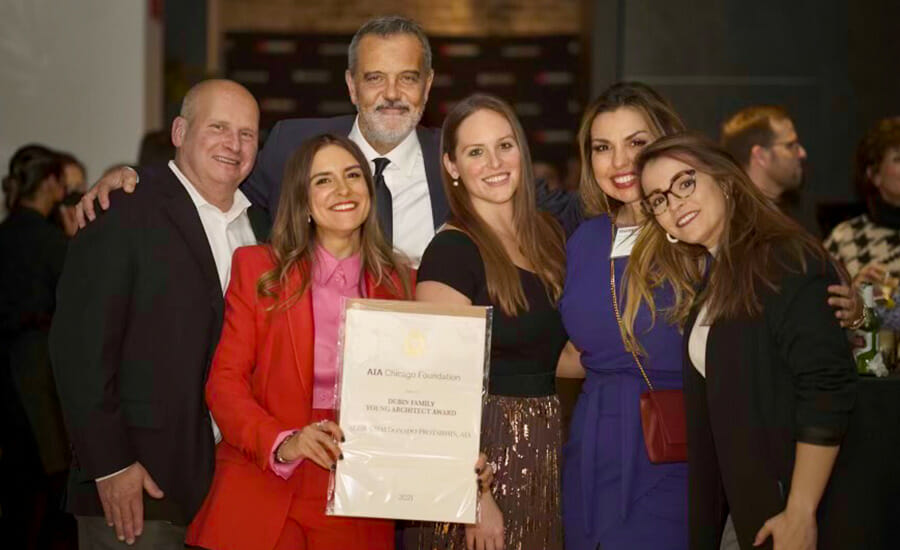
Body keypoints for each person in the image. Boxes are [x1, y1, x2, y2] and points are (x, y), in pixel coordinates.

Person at [49, 79, 267, 548]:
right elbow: (78, 348)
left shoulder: (265, 224)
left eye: (247, 134)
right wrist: (110, 464)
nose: (234, 144)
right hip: (140, 487)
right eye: (219, 127)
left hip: (235, 489)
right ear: (179, 131)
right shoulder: (123, 209)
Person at [627, 133, 857, 549]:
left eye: (685, 182)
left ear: (727, 181)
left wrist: (800, 511)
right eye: (659, 199)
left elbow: (826, 386)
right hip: (743, 511)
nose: (675, 203)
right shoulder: (716, 276)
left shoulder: (784, 258)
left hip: (791, 511)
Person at [185, 133, 414, 549]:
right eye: (323, 180)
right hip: (267, 476)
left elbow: (421, 394)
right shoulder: (258, 269)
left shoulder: (402, 283)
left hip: (357, 491)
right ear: (302, 200)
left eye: (352, 176)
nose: (343, 190)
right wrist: (283, 442)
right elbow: (225, 381)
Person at [78, 15, 445, 266]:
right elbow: (211, 186)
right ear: (352, 86)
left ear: (427, 86)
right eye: (375, 78)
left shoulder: (456, 158)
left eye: (408, 79)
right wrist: (137, 178)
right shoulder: (293, 144)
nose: (392, 93)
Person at [411, 93, 567, 550]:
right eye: (476, 152)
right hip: (483, 461)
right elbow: (435, 388)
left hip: (545, 453)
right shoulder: (451, 252)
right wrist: (474, 497)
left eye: (505, 146)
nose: (494, 162)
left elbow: (557, 356)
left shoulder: (549, 238)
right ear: (453, 167)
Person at [556, 82, 689, 550]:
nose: (619, 162)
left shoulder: (693, 228)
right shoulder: (585, 240)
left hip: (672, 444)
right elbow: (576, 349)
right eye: (603, 147)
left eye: (637, 143)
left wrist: (851, 312)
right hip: (591, 443)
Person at [0, 145, 73, 547]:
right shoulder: (52, 244)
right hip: (40, 381)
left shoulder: (5, 235)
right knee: (46, 491)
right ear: (49, 183)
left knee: (15, 490)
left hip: (8, 377)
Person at [719, 105, 817, 235]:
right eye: (790, 145)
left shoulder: (797, 215)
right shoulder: (737, 228)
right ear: (760, 156)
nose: (802, 153)